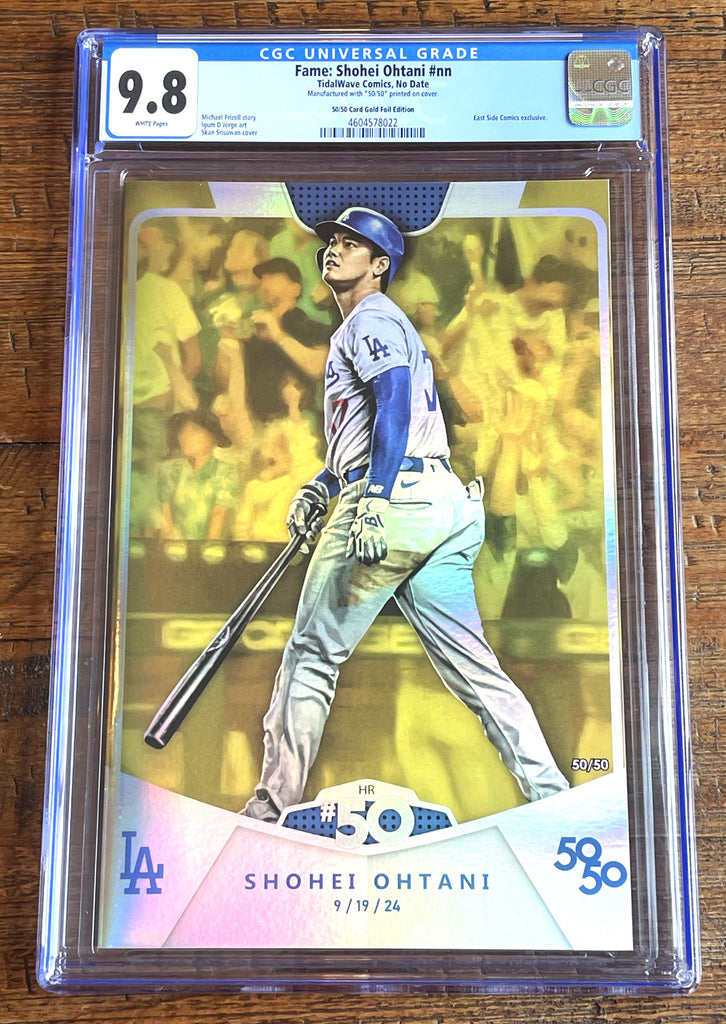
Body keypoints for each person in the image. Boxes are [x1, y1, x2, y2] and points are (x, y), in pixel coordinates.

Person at [243, 207, 569, 823]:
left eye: (352, 244)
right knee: (477, 671)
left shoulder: (370, 318)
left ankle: (270, 806)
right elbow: (377, 427)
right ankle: (553, 800)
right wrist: (323, 483)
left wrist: (372, 498)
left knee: (312, 653)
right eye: (333, 241)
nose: (334, 249)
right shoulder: (376, 323)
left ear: (379, 265)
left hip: (396, 502)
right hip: (440, 503)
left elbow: (393, 401)